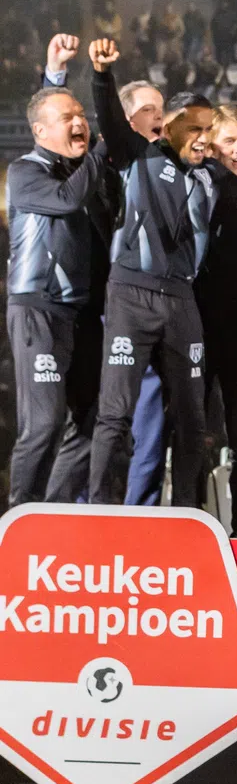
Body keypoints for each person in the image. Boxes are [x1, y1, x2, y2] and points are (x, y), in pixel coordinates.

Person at [83, 37, 219, 507]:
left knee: (192, 419)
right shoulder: (136, 154)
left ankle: (187, 515)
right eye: (192, 127)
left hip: (183, 302)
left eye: (208, 128)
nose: (202, 136)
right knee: (114, 414)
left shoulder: (209, 175)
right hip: (131, 295)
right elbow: (108, 117)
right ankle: (99, 510)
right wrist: (102, 75)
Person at [7, 40, 108, 506]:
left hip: (81, 315)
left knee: (88, 422)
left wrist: (56, 73)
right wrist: (97, 152)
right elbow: (67, 199)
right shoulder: (26, 172)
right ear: (39, 131)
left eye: (82, 114)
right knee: (43, 423)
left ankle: (51, 514)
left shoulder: (75, 164)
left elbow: (58, 123)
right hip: (39, 311)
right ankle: (15, 523)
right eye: (68, 118)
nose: (80, 121)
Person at [195, 104, 237, 533]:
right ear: (211, 145)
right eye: (229, 140)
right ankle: (192, 516)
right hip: (200, 322)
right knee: (194, 427)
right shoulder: (204, 184)